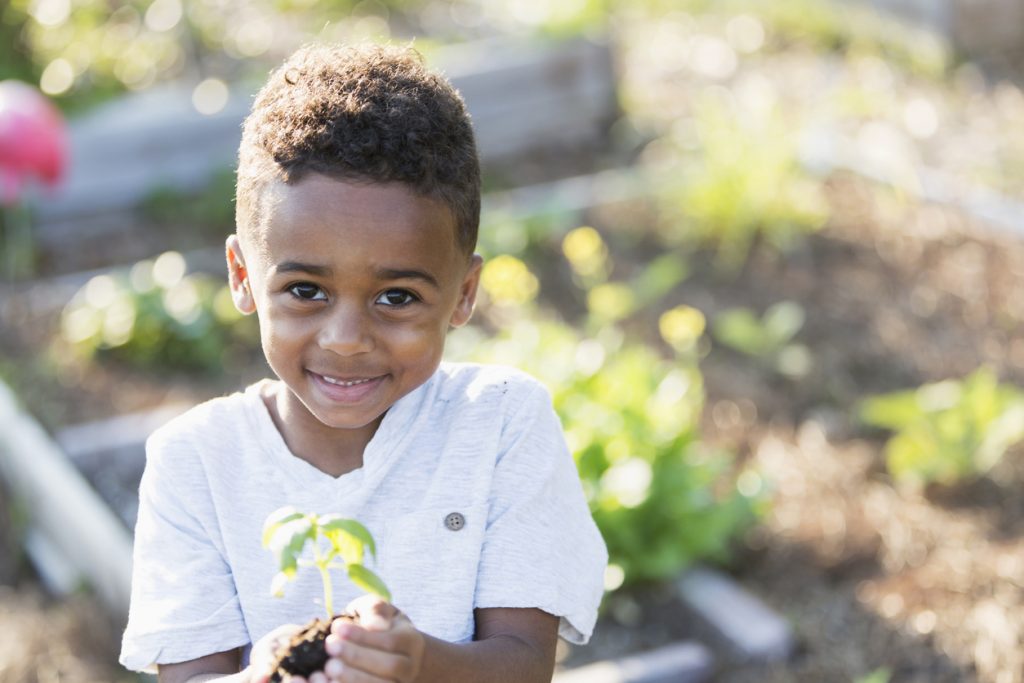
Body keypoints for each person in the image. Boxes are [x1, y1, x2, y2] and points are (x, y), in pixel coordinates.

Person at [118, 42, 607, 683]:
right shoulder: (197, 464)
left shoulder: (501, 425)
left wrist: (419, 662)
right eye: (305, 290)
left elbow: (524, 663)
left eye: (396, 297)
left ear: (463, 294)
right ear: (242, 275)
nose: (346, 339)